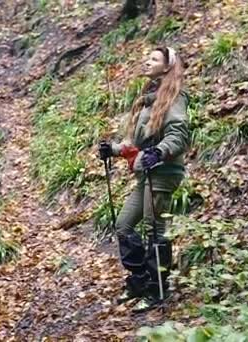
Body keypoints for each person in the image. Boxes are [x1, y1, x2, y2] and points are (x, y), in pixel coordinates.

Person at [99, 46, 189, 312]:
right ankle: (139, 280)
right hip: (146, 173)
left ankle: (157, 289)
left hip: (163, 173)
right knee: (124, 225)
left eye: (154, 59)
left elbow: (179, 135)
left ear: (167, 67)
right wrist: (112, 150)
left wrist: (160, 152)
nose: (147, 61)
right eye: (147, 57)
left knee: (154, 230)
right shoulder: (148, 98)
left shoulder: (175, 97)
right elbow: (134, 142)